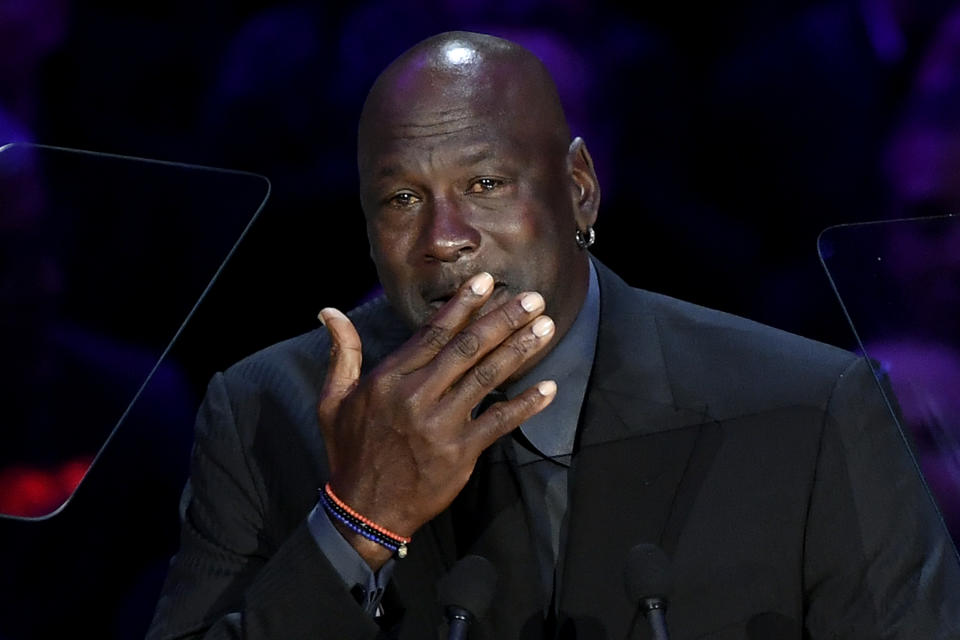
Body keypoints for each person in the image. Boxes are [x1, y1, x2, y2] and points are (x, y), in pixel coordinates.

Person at [147, 31, 960, 639]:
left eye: (486, 182)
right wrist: (357, 522)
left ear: (578, 190)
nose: (444, 236)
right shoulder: (263, 409)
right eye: (401, 200)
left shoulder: (809, 410)